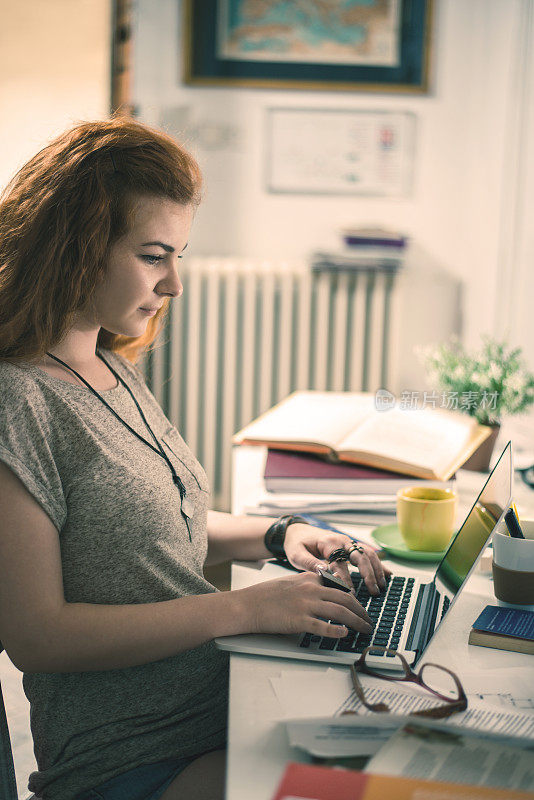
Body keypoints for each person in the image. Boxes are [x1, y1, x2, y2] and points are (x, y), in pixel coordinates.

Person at [0, 117, 388, 800]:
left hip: (217, 703)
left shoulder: (106, 363)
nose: (174, 283)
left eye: (178, 255)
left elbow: (143, 532)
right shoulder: (18, 400)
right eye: (154, 256)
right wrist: (248, 609)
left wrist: (281, 534)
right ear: (77, 249)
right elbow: (37, 635)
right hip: (131, 759)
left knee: (414, 747)